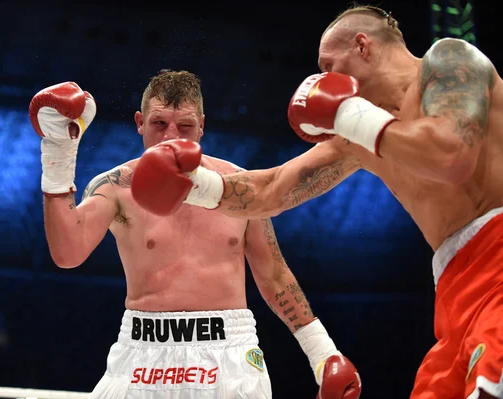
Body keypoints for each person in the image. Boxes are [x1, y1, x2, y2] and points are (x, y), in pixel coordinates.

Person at [131, 6, 503, 399]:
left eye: (329, 66)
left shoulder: (447, 62)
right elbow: (272, 189)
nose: (324, 81)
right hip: (454, 291)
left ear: (362, 46)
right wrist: (194, 185)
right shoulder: (365, 132)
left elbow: (452, 155)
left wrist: (348, 113)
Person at [28, 70, 361, 398]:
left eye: (184, 126)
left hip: (227, 353)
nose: (171, 136)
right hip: (142, 352)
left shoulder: (240, 187)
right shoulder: (115, 187)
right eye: (159, 124)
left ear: (202, 126)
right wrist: (59, 152)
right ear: (140, 123)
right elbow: (67, 254)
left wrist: (322, 353)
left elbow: (274, 276)